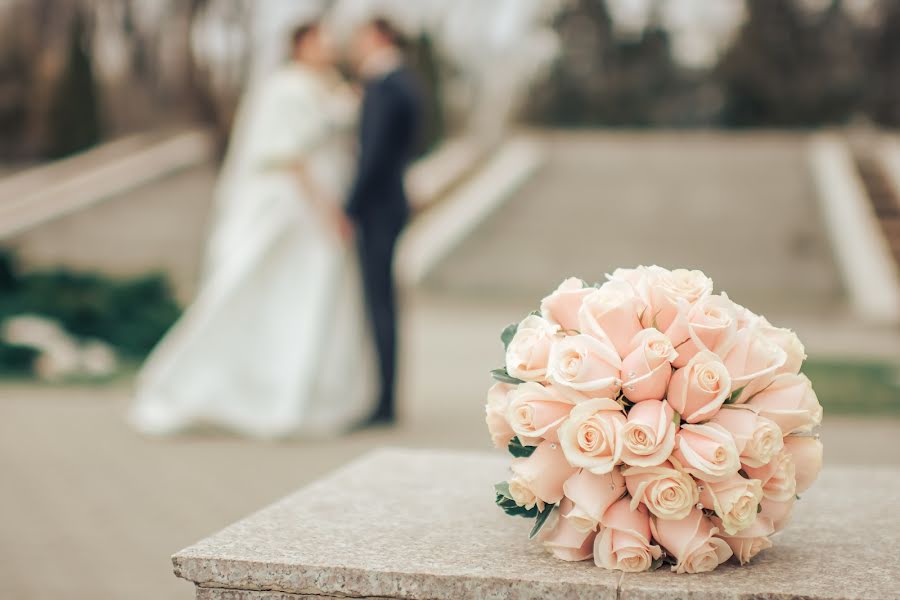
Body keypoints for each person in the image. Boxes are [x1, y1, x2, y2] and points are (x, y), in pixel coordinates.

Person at [129, 22, 376, 438]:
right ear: (300, 45)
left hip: (317, 201)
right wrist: (326, 208)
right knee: (276, 291)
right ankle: (252, 392)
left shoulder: (324, 85)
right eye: (322, 40)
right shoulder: (289, 88)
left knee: (310, 299)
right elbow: (288, 153)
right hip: (296, 206)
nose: (330, 48)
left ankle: (306, 392)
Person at [346, 18, 421, 425]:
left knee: (379, 303)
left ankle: (385, 403)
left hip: (377, 208)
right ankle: (386, 396)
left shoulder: (385, 84)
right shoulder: (405, 82)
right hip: (390, 204)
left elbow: (372, 155)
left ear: (379, 37)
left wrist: (349, 206)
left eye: (360, 35)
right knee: (383, 301)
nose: (355, 44)